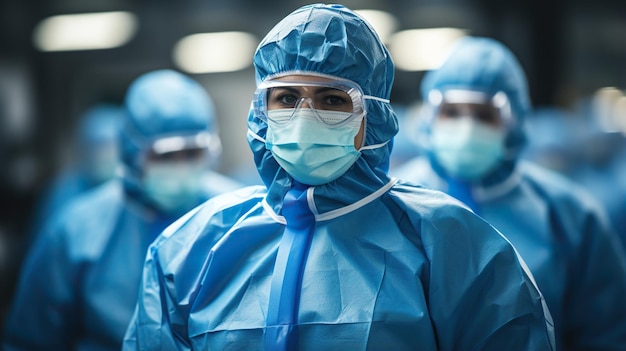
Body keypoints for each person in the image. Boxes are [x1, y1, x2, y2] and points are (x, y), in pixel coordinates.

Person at [123, 5, 555, 350]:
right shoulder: (189, 251)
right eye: (286, 98)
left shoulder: (452, 244)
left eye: (332, 99)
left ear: (375, 117)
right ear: (260, 113)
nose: (304, 117)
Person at [392, 36, 626, 350]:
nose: (465, 128)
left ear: (514, 121)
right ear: (430, 115)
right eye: (452, 112)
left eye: (483, 115)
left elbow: (605, 330)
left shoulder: (567, 213)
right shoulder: (395, 203)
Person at [2, 69, 242, 350]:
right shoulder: (78, 229)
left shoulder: (237, 214)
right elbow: (31, 340)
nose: (181, 166)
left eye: (193, 153)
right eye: (165, 155)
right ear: (132, 152)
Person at [29, 104, 123, 241]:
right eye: (98, 147)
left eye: (110, 147)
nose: (104, 156)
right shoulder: (62, 193)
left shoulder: (129, 195)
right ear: (84, 149)